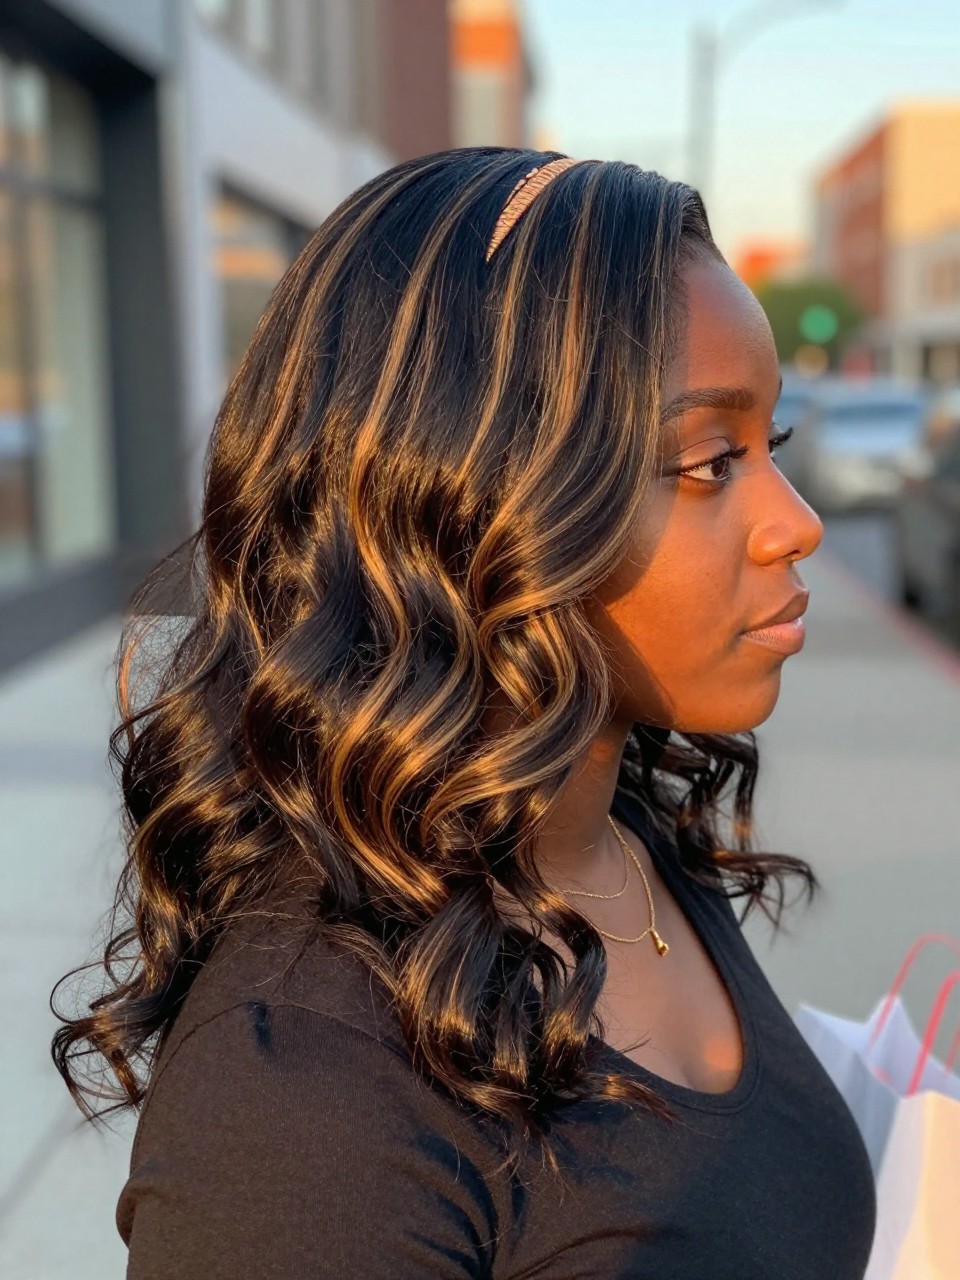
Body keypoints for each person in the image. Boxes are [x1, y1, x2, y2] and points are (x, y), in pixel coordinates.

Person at [51, 148, 877, 1278]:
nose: (797, 522)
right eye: (706, 461)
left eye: (769, 447)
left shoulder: (625, 841)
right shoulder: (305, 1094)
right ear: (469, 498)